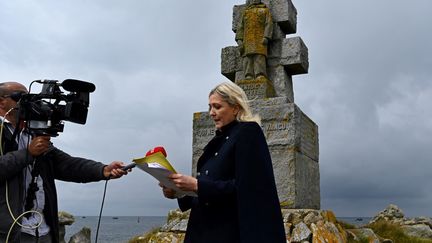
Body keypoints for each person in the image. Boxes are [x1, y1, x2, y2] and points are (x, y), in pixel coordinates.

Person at [0, 82, 128, 243]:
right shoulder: (3, 133)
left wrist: (102, 170)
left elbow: (66, 164)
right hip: (9, 232)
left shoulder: (32, 134)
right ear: (2, 102)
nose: (29, 102)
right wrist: (28, 153)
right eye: (22, 97)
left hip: (42, 229)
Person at [161, 81, 286, 243]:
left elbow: (250, 187)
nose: (212, 113)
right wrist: (179, 191)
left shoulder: (248, 133)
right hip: (203, 232)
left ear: (236, 107)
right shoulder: (218, 141)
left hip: (229, 233)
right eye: (210, 107)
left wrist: (197, 185)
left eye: (217, 107)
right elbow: (210, 189)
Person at [235, 0, 273, 80]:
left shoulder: (265, 11)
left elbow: (268, 24)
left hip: (259, 39)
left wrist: (266, 36)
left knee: (259, 56)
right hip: (247, 40)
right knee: (248, 58)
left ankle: (260, 74)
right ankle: (248, 74)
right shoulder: (246, 12)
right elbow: (240, 27)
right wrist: (240, 40)